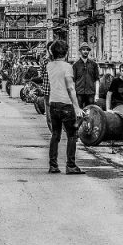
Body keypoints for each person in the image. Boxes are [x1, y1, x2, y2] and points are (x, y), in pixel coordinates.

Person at [45, 40, 85, 175]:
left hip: (53, 103)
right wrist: (77, 107)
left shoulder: (49, 66)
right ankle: (71, 165)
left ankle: (53, 165)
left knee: (55, 135)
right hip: (66, 104)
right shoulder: (67, 67)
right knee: (72, 135)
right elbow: (70, 87)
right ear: (66, 52)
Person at [72, 42, 100, 108]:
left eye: (87, 50)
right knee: (79, 113)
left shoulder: (94, 65)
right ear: (80, 51)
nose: (86, 51)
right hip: (79, 93)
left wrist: (97, 94)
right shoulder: (76, 65)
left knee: (90, 113)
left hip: (90, 93)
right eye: (84, 50)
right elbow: (73, 81)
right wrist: (73, 95)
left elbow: (97, 80)